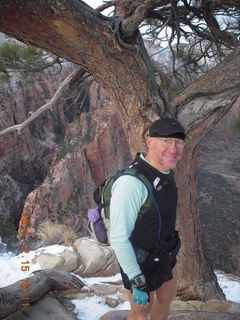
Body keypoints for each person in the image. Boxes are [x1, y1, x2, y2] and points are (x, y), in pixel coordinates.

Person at [109, 118, 186, 320]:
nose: (174, 149)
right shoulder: (131, 184)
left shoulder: (166, 173)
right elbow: (118, 238)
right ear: (149, 141)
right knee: (141, 311)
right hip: (139, 260)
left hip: (166, 255)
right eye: (166, 141)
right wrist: (136, 278)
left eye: (178, 142)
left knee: (166, 298)